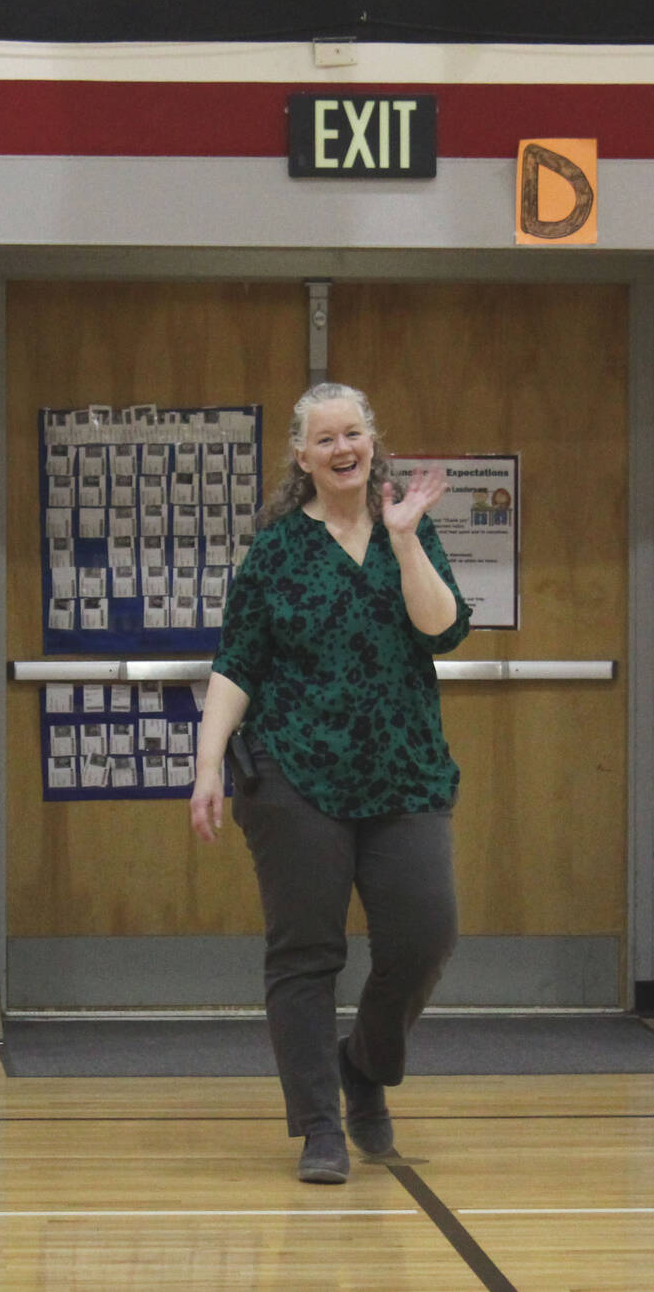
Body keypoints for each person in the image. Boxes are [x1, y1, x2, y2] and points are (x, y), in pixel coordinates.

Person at [189, 381, 471, 1184]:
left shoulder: (407, 531)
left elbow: (441, 628)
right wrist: (210, 762)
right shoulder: (277, 549)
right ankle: (319, 1126)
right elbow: (237, 662)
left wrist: (408, 539)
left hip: (404, 772)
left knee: (425, 934)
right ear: (302, 457)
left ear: (371, 442)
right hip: (293, 774)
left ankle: (365, 1067)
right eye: (325, 439)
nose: (342, 449)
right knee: (305, 952)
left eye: (354, 433)